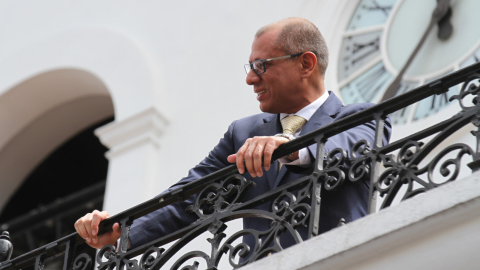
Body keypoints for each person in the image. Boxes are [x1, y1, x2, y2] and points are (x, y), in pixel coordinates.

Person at [75, 17, 391, 251]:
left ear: (306, 63)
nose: (251, 79)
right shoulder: (243, 132)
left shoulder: (361, 117)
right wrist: (121, 230)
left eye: (261, 66)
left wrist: (289, 148)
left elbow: (351, 146)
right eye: (249, 67)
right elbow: (190, 198)